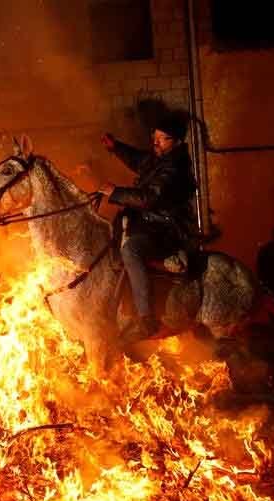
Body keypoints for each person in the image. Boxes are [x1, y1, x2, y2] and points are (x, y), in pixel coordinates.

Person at [98, 116, 198, 343]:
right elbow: (139, 160)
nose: (156, 142)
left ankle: (146, 319)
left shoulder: (175, 167)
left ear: (177, 141)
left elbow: (150, 197)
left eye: (163, 138)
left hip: (167, 228)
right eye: (155, 137)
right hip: (150, 223)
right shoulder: (160, 159)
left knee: (131, 250)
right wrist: (116, 147)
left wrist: (116, 192)